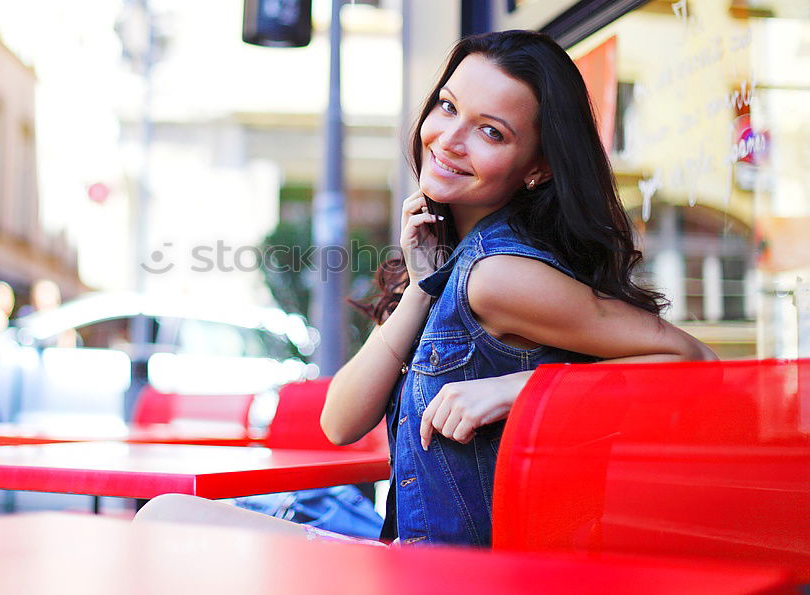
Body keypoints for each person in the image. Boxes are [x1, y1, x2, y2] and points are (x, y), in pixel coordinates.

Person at [134, 30, 717, 545]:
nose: (448, 139)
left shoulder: (499, 275)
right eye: (447, 106)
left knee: (171, 524)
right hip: (413, 561)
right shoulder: (456, 266)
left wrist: (522, 389)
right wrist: (421, 284)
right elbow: (339, 423)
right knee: (176, 519)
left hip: (460, 579)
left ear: (536, 167)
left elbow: (692, 359)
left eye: (490, 131)